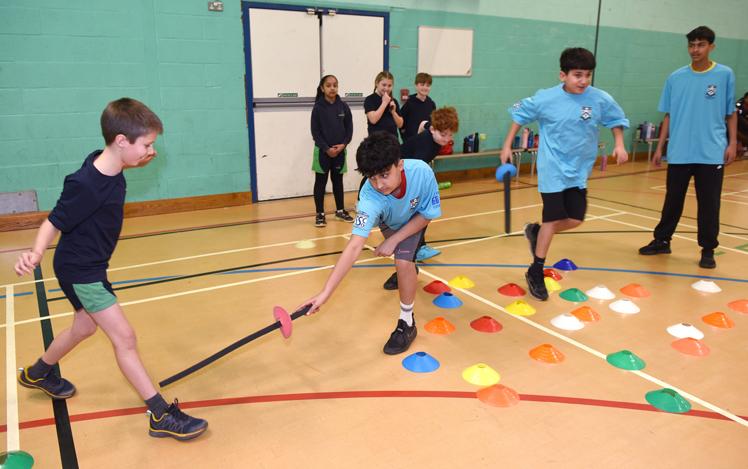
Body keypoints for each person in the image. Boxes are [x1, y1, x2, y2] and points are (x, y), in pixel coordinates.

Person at [14, 98, 208, 441]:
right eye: (146, 145)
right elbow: (53, 221)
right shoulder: (85, 183)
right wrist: (35, 252)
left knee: (83, 327)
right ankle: (160, 414)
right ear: (121, 141)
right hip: (81, 271)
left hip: (88, 265)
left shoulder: (110, 164)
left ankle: (39, 372)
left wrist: (140, 156)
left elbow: (118, 168)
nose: (151, 151)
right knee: (125, 338)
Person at [500, 47, 629, 300]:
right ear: (563, 75)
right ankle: (536, 270)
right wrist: (507, 145)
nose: (583, 81)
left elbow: (616, 119)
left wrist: (620, 144)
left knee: (576, 219)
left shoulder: (599, 99)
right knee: (553, 219)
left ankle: (536, 233)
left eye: (587, 75)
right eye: (577, 75)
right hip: (552, 169)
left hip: (579, 171)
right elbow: (520, 115)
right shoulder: (546, 98)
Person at [300, 131, 441, 355]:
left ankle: (407, 322)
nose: (379, 184)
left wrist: (395, 239)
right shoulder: (369, 197)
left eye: (384, 175)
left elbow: (427, 215)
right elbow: (354, 246)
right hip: (388, 220)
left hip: (416, 218)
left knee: (403, 261)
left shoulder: (422, 172)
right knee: (404, 262)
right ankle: (408, 271)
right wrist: (325, 293)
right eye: (372, 178)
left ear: (400, 164)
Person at [639, 26, 737, 269]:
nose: (695, 50)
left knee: (709, 204)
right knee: (672, 201)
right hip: (680, 151)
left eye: (701, 45)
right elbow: (669, 115)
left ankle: (708, 249)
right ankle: (662, 240)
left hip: (711, 152)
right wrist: (659, 148)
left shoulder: (724, 74)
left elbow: (730, 113)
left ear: (711, 47)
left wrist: (733, 143)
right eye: (691, 45)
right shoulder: (676, 77)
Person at [382, 106, 459, 290]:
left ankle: (413, 258)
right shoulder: (426, 146)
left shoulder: (432, 136)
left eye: (450, 135)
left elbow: (424, 125)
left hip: (407, 179)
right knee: (412, 226)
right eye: (443, 134)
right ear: (433, 129)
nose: (447, 139)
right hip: (397, 180)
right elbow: (413, 171)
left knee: (419, 225)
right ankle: (406, 267)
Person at [311, 74, 354, 227]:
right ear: (322, 88)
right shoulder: (318, 108)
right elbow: (315, 132)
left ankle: (340, 211)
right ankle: (320, 214)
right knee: (320, 182)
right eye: (328, 85)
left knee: (338, 181)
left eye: (335, 85)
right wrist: (326, 148)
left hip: (340, 152)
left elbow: (349, 129)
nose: (332, 88)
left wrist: (343, 145)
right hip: (323, 152)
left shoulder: (343, 106)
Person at [364, 71, 403, 139]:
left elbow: (400, 124)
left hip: (392, 140)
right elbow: (373, 120)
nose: (386, 88)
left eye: (389, 86)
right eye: (384, 85)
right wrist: (384, 103)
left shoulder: (394, 101)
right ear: (377, 83)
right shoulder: (370, 99)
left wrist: (393, 112)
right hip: (376, 141)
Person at [400, 72, 437, 141]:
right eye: (422, 85)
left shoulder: (431, 104)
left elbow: (432, 124)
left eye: (428, 85)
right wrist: (406, 139)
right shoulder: (409, 103)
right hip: (412, 141)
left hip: (426, 140)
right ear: (416, 85)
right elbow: (401, 124)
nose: (425, 88)